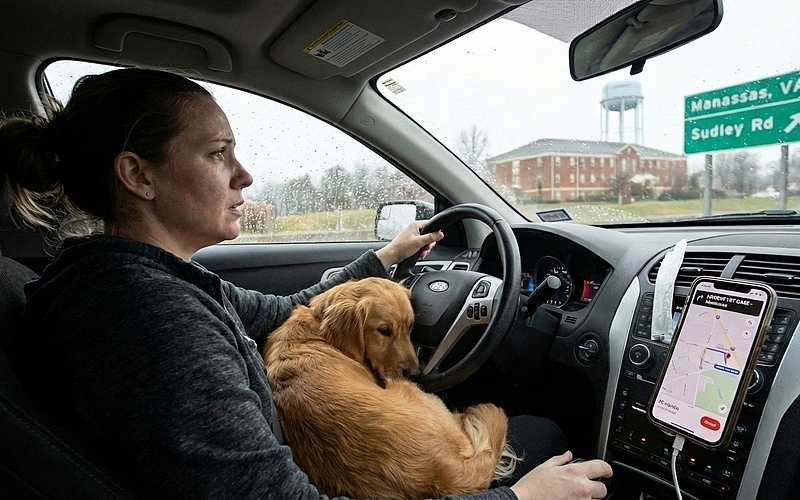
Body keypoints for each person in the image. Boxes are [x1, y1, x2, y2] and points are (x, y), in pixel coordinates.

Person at [1, 67, 611, 499]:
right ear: (139, 174)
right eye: (217, 154)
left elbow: (297, 312)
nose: (243, 175)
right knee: (546, 435)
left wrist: (383, 258)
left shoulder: (128, 281)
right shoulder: (155, 321)